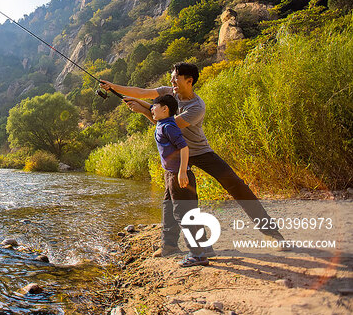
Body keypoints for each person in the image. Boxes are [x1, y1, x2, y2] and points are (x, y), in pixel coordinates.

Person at [100, 62, 286, 254]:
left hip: (199, 151)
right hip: (178, 154)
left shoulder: (197, 106)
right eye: (172, 77)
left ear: (189, 81)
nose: (171, 80)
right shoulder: (168, 92)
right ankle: (169, 245)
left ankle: (273, 234)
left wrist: (142, 108)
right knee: (170, 196)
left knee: (236, 184)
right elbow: (139, 91)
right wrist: (112, 86)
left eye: (175, 78)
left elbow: (169, 125)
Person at [151, 93, 209, 267]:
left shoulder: (169, 126)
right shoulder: (163, 122)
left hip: (179, 175)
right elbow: (149, 108)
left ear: (165, 109)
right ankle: (172, 246)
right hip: (171, 175)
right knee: (168, 208)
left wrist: (182, 171)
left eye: (154, 106)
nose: (151, 109)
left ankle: (198, 254)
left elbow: (184, 148)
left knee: (184, 214)